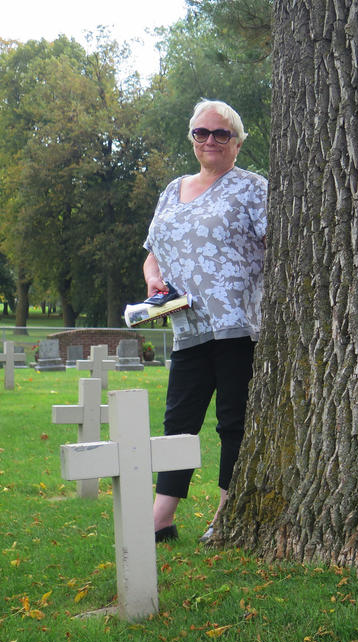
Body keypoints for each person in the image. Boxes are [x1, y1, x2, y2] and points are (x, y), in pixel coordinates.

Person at [142, 99, 267, 543]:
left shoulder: (253, 187)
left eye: (221, 134)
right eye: (201, 133)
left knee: (233, 421)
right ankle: (161, 518)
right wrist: (154, 278)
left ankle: (225, 515)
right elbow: (153, 250)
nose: (210, 140)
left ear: (236, 141)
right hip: (186, 326)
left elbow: (279, 247)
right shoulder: (172, 189)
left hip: (238, 326)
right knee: (178, 422)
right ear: (191, 138)